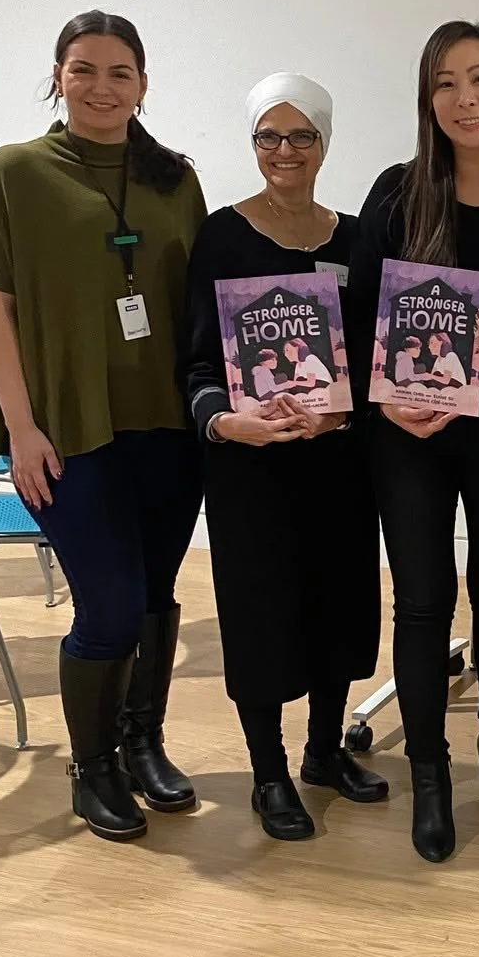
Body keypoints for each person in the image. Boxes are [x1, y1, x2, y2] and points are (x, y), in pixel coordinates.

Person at [0, 11, 206, 840]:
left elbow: (201, 306)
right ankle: (92, 766)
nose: (101, 87)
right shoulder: (15, 172)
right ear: (57, 76)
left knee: (152, 597)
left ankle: (144, 745)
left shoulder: (176, 177)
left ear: (143, 85)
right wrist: (20, 427)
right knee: (106, 609)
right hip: (67, 428)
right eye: (83, 69)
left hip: (167, 424)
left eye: (118, 73)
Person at [345, 21, 479, 864]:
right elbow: (357, 322)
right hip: (410, 431)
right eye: (445, 84)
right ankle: (431, 773)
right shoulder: (398, 194)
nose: (464, 99)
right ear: (428, 101)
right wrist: (385, 402)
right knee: (423, 597)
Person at [183, 73, 384, 840]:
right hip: (253, 471)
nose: (285, 151)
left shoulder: (359, 237)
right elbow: (198, 365)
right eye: (269, 136)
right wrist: (229, 423)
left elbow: (378, 356)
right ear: (252, 144)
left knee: (338, 607)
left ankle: (324, 752)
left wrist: (358, 405)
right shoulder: (221, 237)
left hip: (338, 465)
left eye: (302, 136)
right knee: (261, 615)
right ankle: (268, 774)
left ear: (324, 144)